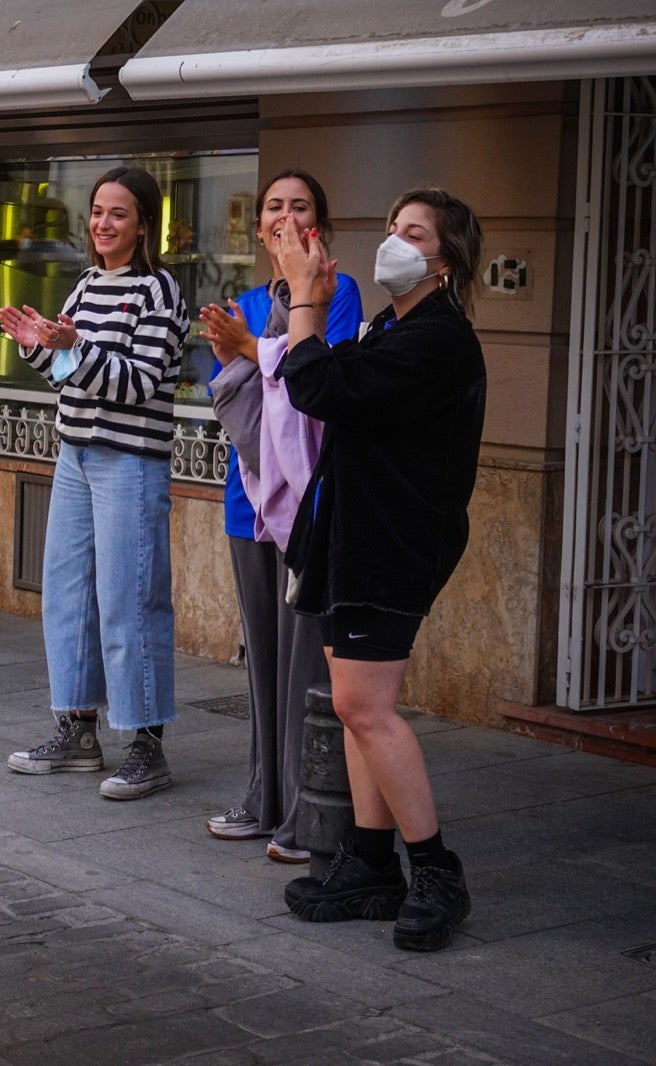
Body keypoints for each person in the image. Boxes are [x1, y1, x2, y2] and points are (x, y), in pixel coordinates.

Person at [273, 187, 486, 952]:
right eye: (392, 225)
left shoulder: (440, 339)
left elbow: (318, 387)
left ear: (445, 260)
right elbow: (337, 387)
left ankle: (434, 869)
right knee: (353, 705)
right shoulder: (391, 324)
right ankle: (368, 860)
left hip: (393, 544)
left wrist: (303, 298)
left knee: (367, 708)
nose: (394, 239)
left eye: (414, 232)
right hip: (352, 538)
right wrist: (320, 301)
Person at [0, 166, 189, 800]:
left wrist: (74, 349)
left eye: (119, 214)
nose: (104, 224)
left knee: (129, 599)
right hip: (74, 455)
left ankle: (146, 744)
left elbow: (136, 384)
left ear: (143, 225)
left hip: (129, 461)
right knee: (68, 593)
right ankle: (78, 730)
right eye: (98, 212)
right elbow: (67, 374)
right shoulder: (84, 284)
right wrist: (39, 346)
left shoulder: (159, 291)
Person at [197, 170, 364, 863]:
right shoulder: (244, 299)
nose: (286, 216)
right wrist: (234, 353)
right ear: (258, 226)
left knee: (305, 661)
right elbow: (233, 392)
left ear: (318, 225)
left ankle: (308, 810)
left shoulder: (338, 289)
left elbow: (320, 377)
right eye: (274, 207)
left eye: (300, 206)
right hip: (249, 498)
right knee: (262, 661)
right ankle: (262, 794)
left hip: (311, 505)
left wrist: (247, 351)